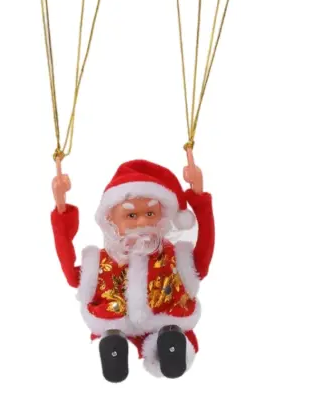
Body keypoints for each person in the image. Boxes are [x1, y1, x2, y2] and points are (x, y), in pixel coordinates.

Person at [50, 158, 215, 382]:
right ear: (110, 219)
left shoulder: (174, 256)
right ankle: (114, 346)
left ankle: (169, 345)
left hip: (165, 315)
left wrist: (199, 197)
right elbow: (72, 276)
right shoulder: (103, 260)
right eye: (131, 215)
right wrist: (61, 208)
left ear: (162, 217)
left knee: (173, 335)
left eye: (150, 214)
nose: (141, 222)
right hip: (117, 317)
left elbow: (202, 260)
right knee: (114, 334)